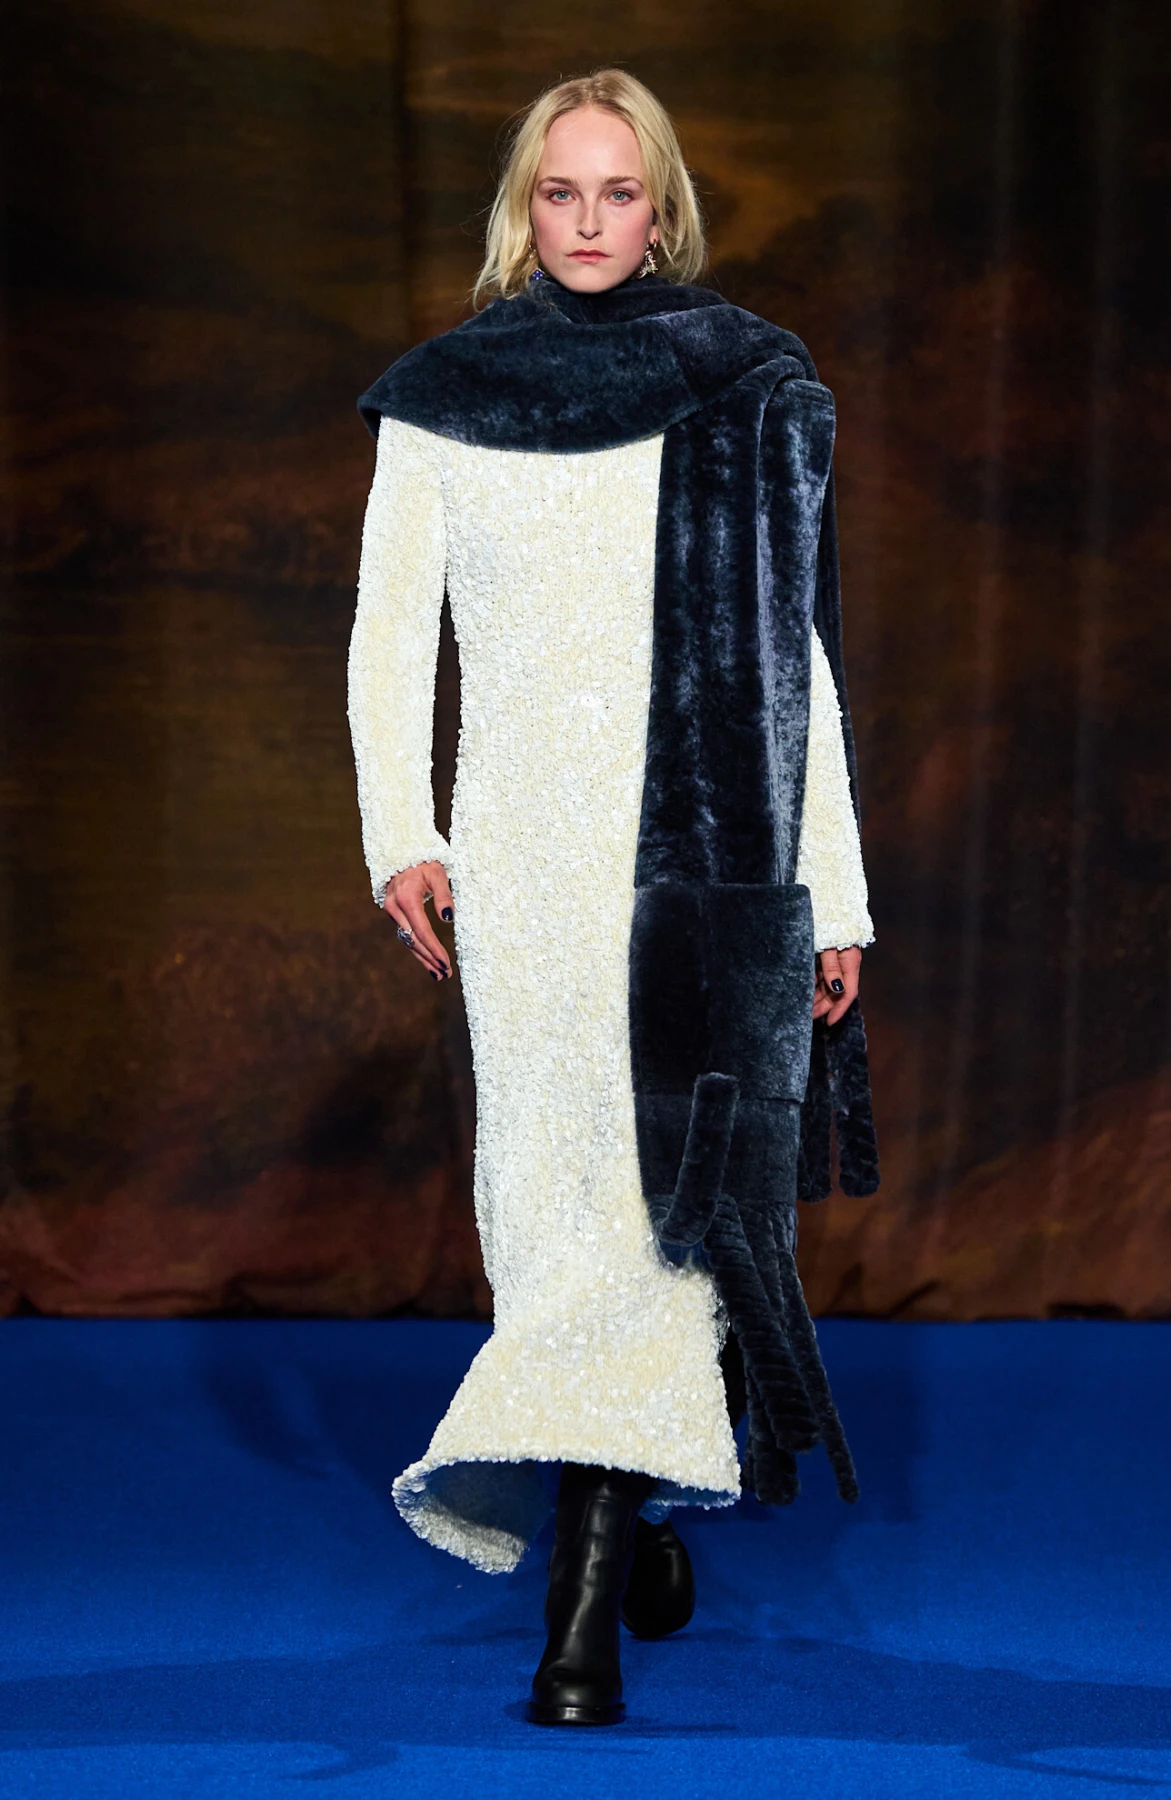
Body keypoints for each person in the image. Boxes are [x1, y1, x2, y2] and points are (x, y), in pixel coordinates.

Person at [347, 68, 875, 1727]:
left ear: (663, 208)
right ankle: (631, 1507)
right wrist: (399, 832)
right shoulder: (445, 395)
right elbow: (389, 632)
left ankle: (575, 1629)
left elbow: (793, 663)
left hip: (702, 858)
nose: (590, 220)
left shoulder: (735, 379)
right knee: (546, 1208)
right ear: (526, 206)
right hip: (521, 865)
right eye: (561, 191)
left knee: (660, 1207)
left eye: (620, 191)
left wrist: (835, 895)